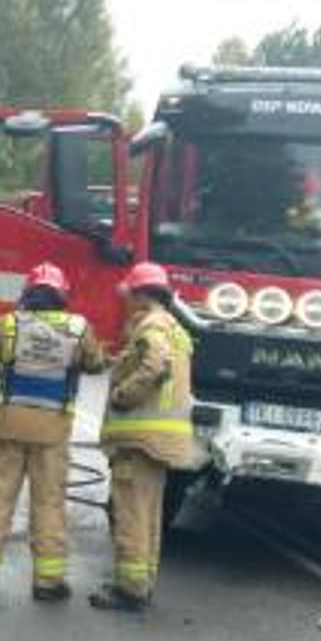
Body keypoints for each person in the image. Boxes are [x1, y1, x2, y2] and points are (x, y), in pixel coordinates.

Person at [0, 262, 107, 601]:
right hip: (53, 432)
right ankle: (48, 582)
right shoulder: (78, 328)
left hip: (10, 427)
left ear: (28, 293)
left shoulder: (8, 324)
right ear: (62, 295)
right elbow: (96, 364)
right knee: (48, 504)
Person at [92, 262, 200, 613]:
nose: (125, 301)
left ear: (140, 295)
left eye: (129, 294)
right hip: (161, 441)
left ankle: (130, 590)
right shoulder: (174, 326)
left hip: (139, 439)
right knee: (149, 515)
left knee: (130, 514)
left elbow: (155, 363)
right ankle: (143, 581)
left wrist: (125, 394)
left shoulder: (150, 326)